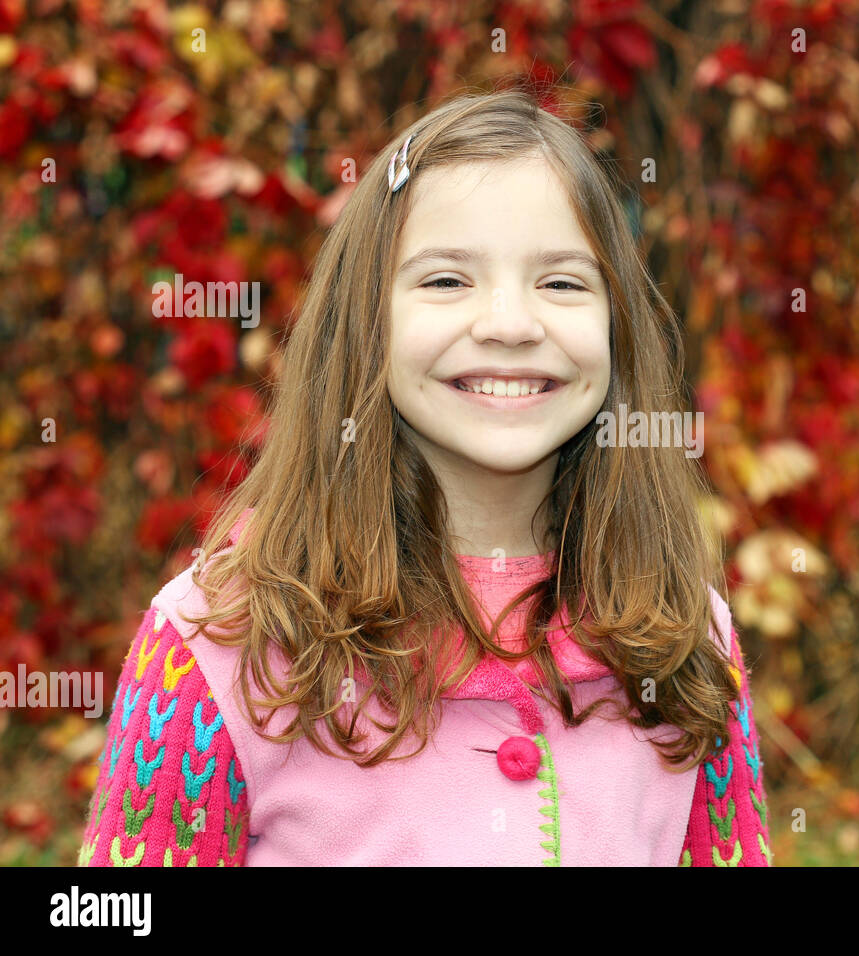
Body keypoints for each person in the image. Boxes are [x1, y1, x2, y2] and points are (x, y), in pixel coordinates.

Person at [78, 87, 772, 866]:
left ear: (617, 325)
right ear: (366, 323)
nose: (510, 323)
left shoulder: (683, 633)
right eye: (447, 280)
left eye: (563, 282)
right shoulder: (219, 641)